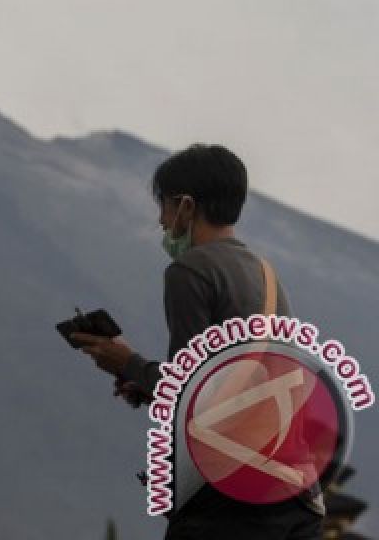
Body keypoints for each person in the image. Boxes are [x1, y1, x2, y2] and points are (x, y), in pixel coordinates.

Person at [72, 143, 323, 539]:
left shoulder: (191, 270)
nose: (162, 220)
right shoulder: (265, 274)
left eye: (166, 207)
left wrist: (127, 363)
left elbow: (190, 394)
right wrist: (146, 383)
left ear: (187, 207)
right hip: (294, 494)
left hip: (228, 507)